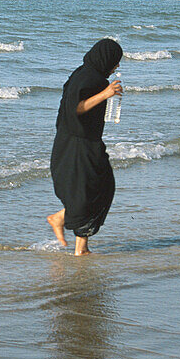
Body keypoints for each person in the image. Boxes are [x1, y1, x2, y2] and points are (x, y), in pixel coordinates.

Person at [47, 38, 123, 255]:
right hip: (76, 143)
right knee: (86, 191)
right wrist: (105, 94)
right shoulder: (88, 78)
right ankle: (80, 246)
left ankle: (62, 220)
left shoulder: (93, 76)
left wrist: (105, 93)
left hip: (86, 140)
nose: (117, 66)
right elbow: (75, 109)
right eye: (115, 61)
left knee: (99, 187)